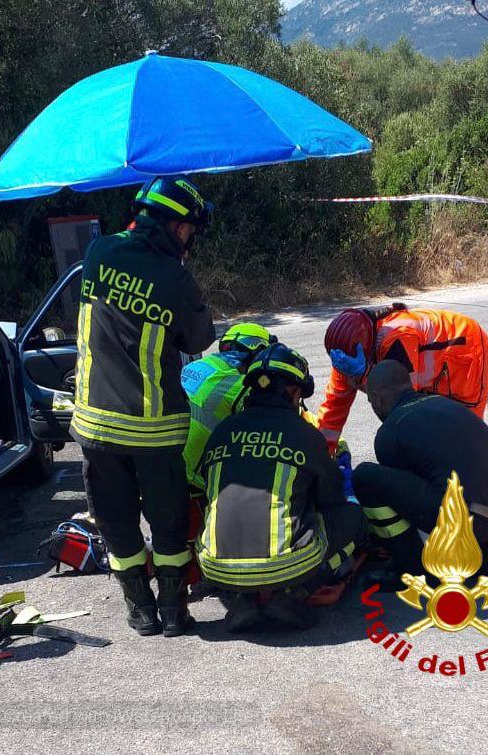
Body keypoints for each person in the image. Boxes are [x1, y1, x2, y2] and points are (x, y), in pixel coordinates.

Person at [71, 175, 216, 637]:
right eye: (190, 231)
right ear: (177, 228)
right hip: (154, 428)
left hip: (96, 426)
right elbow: (200, 338)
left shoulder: (97, 254)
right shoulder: (175, 276)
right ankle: (174, 611)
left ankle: (139, 609)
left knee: (116, 523)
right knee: (169, 524)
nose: (190, 240)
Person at [196, 344, 366, 633]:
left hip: (215, 566)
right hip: (286, 567)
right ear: (293, 392)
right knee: (353, 518)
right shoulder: (304, 434)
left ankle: (240, 597)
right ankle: (293, 595)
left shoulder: (222, 431)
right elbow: (331, 499)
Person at [354, 361, 488, 586]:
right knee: (450, 478)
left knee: (365, 477)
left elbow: (405, 504)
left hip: (473, 519)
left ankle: (411, 569)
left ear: (377, 397)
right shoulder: (443, 403)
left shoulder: (390, 432)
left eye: (371, 401)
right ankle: (484, 556)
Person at [317, 304, 488, 453]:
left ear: (366, 351)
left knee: (467, 436)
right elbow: (332, 413)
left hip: (469, 351)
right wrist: (320, 458)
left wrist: (364, 376)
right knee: (428, 439)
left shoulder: (397, 340)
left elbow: (403, 405)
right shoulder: (345, 359)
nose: (347, 375)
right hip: (433, 374)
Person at [181, 322, 273, 491]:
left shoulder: (195, 366)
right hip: (193, 482)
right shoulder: (239, 386)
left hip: (167, 464)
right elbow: (282, 418)